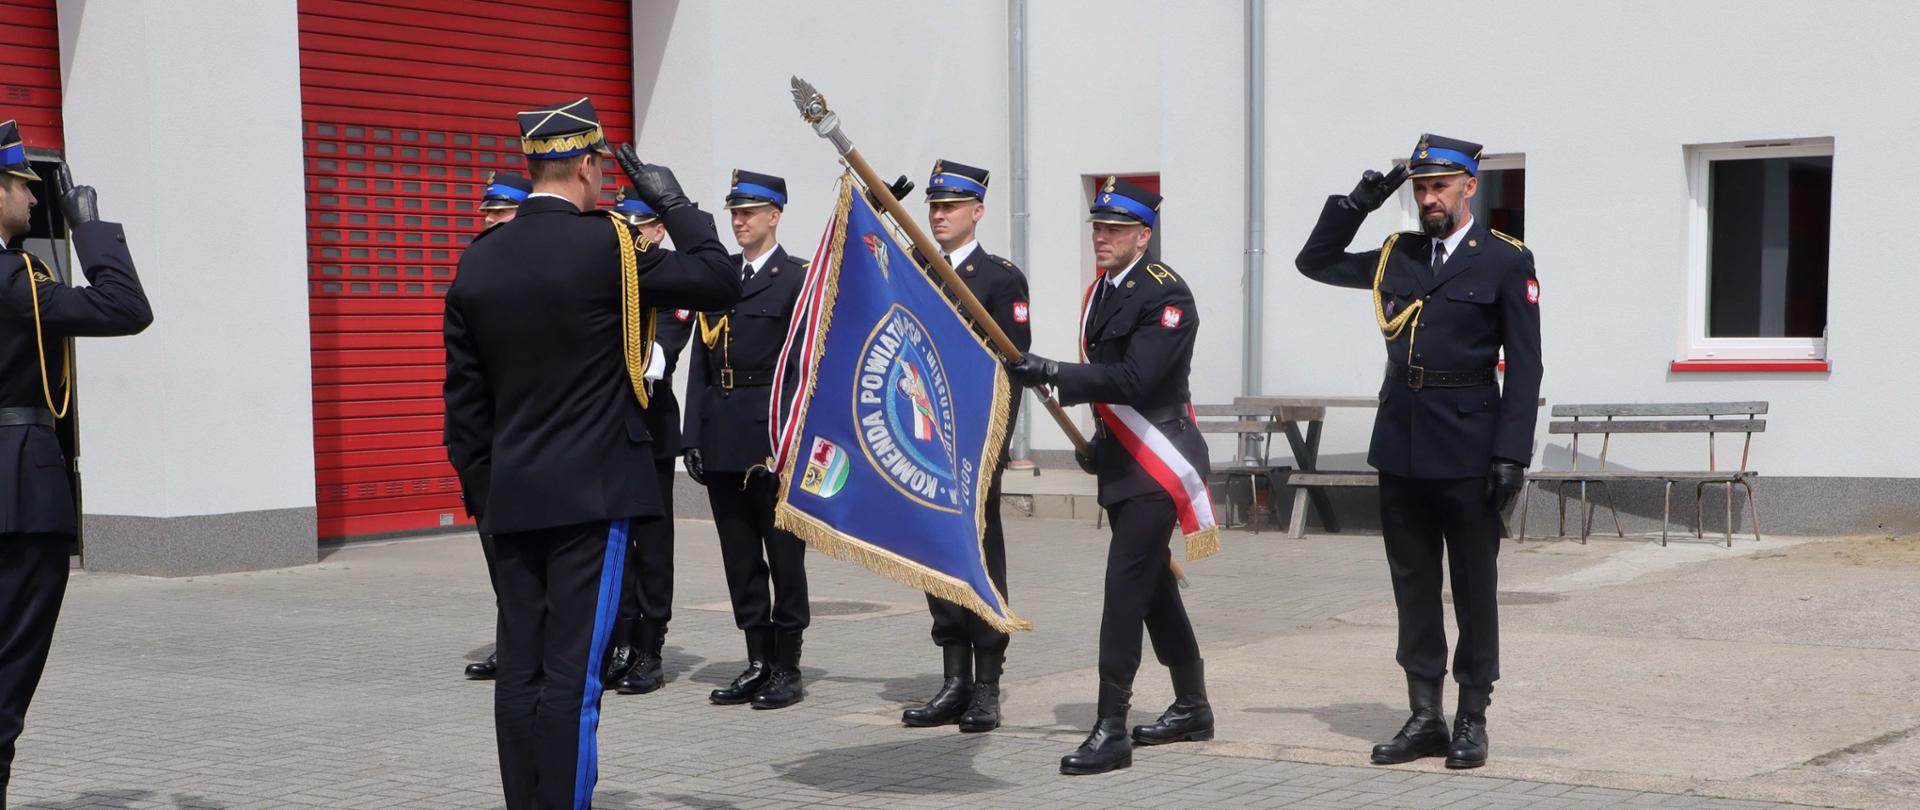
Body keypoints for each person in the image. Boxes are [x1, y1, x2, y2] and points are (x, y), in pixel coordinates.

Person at [442, 97, 740, 809]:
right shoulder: (612, 245)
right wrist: (672, 202)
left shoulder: (479, 261)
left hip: (510, 499)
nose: (605, 179)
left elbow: (465, 409)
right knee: (573, 679)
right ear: (585, 164)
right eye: (602, 167)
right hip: (592, 498)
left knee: (520, 673)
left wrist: (488, 499)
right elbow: (718, 281)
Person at [1293, 134, 1543, 769]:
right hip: (1401, 443)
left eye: (1440, 186)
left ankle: (1473, 715)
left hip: (1469, 446)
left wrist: (1511, 453)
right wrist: (1359, 202)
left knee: (1473, 585)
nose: (1429, 198)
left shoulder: (1505, 261)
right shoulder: (1394, 256)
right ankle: (1425, 714)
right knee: (1412, 584)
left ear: (1468, 187)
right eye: (1420, 188)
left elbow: (1527, 367)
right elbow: (1313, 262)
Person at [1005, 177, 1212, 775]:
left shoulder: (1167, 295)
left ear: (1142, 236)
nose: (1102, 237)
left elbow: (1135, 381)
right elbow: (1110, 389)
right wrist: (1097, 440)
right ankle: (1193, 706)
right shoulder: (1101, 292)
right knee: (1153, 591)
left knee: (1124, 587)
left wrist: (1052, 369)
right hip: (1122, 458)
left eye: (1115, 229)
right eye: (1097, 227)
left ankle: (1110, 727)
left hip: (1160, 459)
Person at [0, 120, 154, 802]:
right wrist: (88, 226)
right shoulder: (14, 280)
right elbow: (125, 307)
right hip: (18, 496)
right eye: (23, 188)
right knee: (6, 680)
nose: (35, 203)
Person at [899, 159, 1029, 734]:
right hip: (920, 438)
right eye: (934, 205)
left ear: (977, 211)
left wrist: (994, 445)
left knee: (980, 555)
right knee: (932, 552)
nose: (939, 214)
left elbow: (1012, 372)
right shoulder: (915, 269)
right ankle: (952, 678)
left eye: (950, 205)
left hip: (972, 444)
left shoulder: (999, 279)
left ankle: (986, 684)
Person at [682, 170, 812, 711]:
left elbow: (808, 367)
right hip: (722, 435)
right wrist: (694, 433)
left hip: (772, 437)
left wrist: (796, 438)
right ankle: (756, 659)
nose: (739, 221)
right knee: (739, 556)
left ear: (774, 216)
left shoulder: (796, 278)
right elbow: (700, 364)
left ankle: (787, 664)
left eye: (749, 213)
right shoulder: (720, 275)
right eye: (734, 212)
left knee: (784, 556)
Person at [605, 189, 690, 696]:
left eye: (640, 228)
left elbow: (657, 357)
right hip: (613, 431)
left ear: (658, 231)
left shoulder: (672, 278)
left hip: (652, 429)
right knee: (618, 547)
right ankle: (622, 642)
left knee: (654, 547)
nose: (632, 237)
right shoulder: (612, 278)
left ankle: (651, 649)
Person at [461, 170, 532, 682]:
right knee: (499, 553)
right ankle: (515, 643)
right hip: (484, 442)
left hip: (524, 439)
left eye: (500, 212)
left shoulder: (535, 273)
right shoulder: (476, 267)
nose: (488, 219)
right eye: (487, 211)